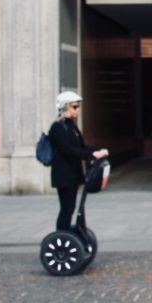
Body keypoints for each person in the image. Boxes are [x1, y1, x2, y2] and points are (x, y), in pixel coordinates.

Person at [49, 91, 109, 232]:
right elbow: (67, 149)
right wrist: (91, 154)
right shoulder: (57, 127)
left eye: (78, 107)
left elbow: (81, 147)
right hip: (64, 175)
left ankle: (66, 234)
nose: (77, 110)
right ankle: (62, 236)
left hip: (74, 174)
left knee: (71, 207)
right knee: (67, 208)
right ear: (64, 107)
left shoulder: (72, 126)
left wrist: (96, 151)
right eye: (74, 107)